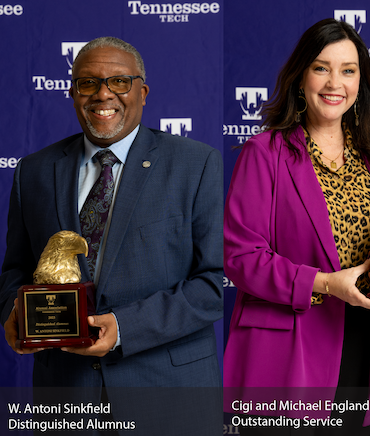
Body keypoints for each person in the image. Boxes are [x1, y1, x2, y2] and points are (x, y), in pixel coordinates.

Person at [0, 36, 222, 432]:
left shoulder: (197, 164)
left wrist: (124, 326)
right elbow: (15, 270)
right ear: (73, 93)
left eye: (119, 81)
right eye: (88, 83)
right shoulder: (33, 171)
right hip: (66, 393)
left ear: (142, 91)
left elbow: (212, 285)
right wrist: (13, 312)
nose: (103, 94)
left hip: (168, 392)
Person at [222, 19, 370, 435]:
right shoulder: (264, 152)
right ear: (301, 76)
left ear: (361, 82)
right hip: (288, 349)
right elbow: (241, 258)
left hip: (361, 339)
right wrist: (322, 283)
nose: (334, 82)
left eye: (348, 70)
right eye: (321, 67)